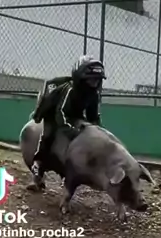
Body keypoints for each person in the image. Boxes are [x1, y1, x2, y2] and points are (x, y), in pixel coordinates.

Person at [28, 55, 106, 191]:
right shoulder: (70, 90)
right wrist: (73, 133)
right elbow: (61, 113)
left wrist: (99, 135)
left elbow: (93, 117)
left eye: (97, 80)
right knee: (48, 135)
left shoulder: (93, 94)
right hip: (53, 113)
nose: (94, 83)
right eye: (91, 79)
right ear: (80, 78)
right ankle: (38, 169)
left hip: (74, 114)